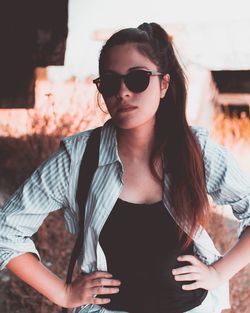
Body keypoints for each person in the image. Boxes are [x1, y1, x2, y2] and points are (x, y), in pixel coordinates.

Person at [0, 22, 250, 313]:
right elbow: (6, 231)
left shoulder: (196, 150)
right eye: (109, 81)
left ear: (164, 84)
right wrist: (64, 293)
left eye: (138, 79)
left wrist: (219, 272)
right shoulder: (77, 158)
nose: (122, 92)